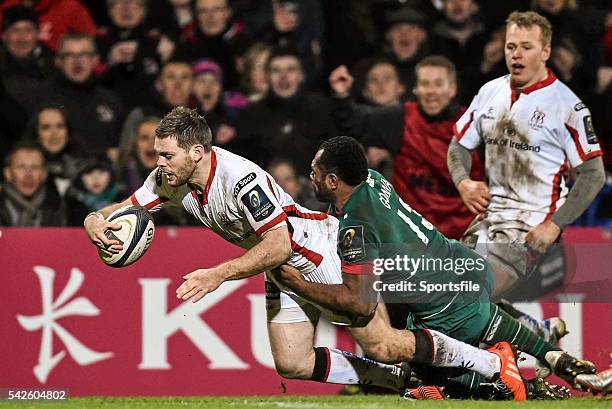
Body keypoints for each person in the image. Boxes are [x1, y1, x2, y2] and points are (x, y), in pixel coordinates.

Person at [84, 106, 532, 399]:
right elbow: (122, 210)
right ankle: (408, 382)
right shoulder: (170, 180)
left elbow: (278, 242)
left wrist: (218, 274)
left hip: (319, 252)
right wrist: (94, 225)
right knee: (293, 363)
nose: (157, 163)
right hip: (279, 267)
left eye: (166, 155)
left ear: (197, 152)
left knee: (385, 343)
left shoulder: (241, 180)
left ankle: (492, 364)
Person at [272, 135, 594, 399]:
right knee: (473, 334)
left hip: (443, 305)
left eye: (315, 170)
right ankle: (558, 361)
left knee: (422, 378)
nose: (309, 174)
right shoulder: (372, 179)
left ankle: (514, 378)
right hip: (462, 264)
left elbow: (359, 302)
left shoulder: (356, 227)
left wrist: (300, 285)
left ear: (333, 180)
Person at [447, 12, 606, 314]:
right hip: (488, 219)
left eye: (526, 47)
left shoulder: (568, 106)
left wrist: (554, 225)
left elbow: (593, 175)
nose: (516, 55)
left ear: (546, 52)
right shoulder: (490, 91)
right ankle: (535, 331)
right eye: (510, 47)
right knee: (447, 293)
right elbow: (458, 145)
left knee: (467, 302)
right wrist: (463, 181)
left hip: (531, 230)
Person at [330, 56, 483, 239]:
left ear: (452, 89)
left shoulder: (475, 124)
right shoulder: (400, 119)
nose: (431, 92)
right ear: (416, 89)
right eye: (425, 84)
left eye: (438, 84)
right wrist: (342, 95)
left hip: (466, 236)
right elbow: (353, 121)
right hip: (412, 237)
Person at [233, 47, 337, 176]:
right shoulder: (251, 115)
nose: (284, 76)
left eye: (291, 69)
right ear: (267, 77)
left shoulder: (322, 109)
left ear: (302, 75)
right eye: (276, 70)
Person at [38, 33, 125, 158]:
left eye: (84, 54)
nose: (77, 61)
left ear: (95, 60)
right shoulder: (44, 98)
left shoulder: (111, 100)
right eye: (70, 55)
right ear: (58, 61)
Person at [0, 142, 66, 226]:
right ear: (8, 173)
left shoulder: (57, 205)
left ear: (44, 174)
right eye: (21, 167)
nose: (28, 175)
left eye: (35, 167)